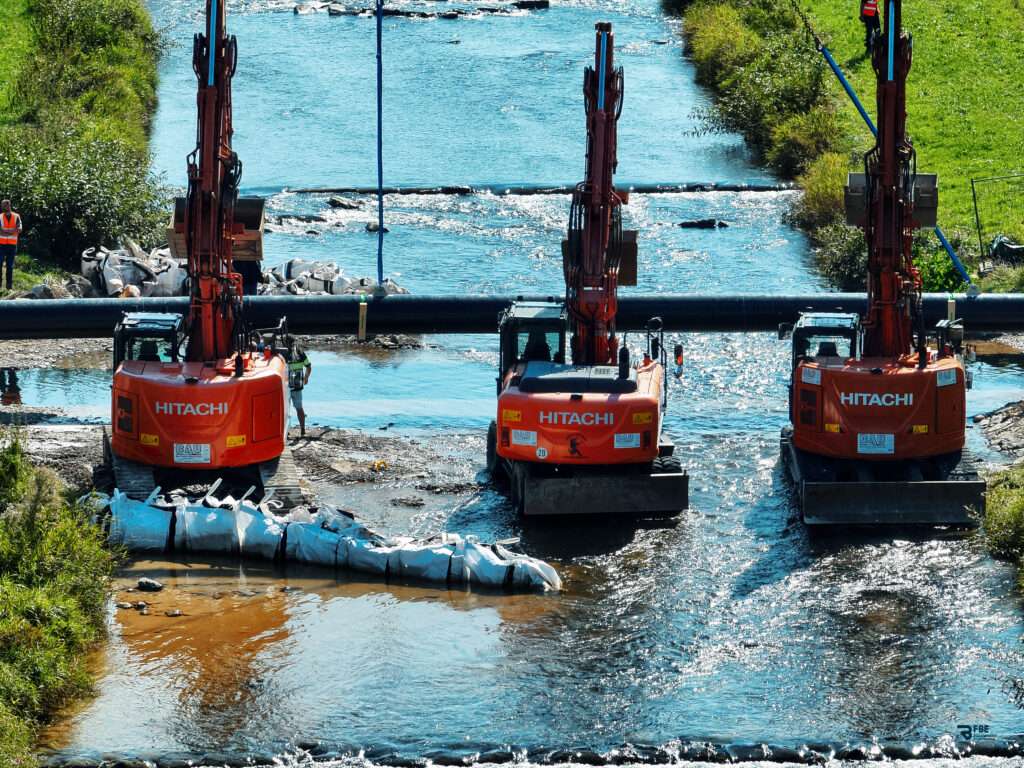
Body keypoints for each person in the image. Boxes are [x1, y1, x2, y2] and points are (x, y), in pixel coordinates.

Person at [286, 340, 312, 437]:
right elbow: (309, 366)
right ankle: (302, 429)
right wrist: (306, 378)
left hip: (286, 386)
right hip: (297, 385)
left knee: (285, 410)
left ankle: (286, 430)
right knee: (299, 408)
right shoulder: (301, 353)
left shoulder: (284, 353)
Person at [0, 200, 23, 291]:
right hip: (1, 244)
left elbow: (19, 229)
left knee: (10, 266)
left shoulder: (16, 216)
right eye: (2, 205)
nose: (2, 207)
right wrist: (12, 231)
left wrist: (6, 232)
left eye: (4, 205)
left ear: (9, 205)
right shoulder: (0, 217)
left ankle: (9, 287)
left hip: (12, 245)